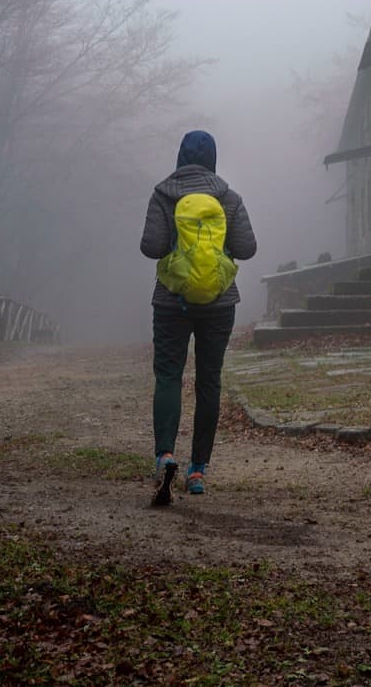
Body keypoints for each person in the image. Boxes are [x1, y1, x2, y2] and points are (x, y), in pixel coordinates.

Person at [140, 129, 256, 504]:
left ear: (180, 157)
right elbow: (247, 248)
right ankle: (197, 470)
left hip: (171, 302)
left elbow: (151, 246)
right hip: (220, 303)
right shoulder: (229, 196)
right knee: (209, 382)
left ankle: (165, 455)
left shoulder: (162, 195)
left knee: (169, 376)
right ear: (212, 160)